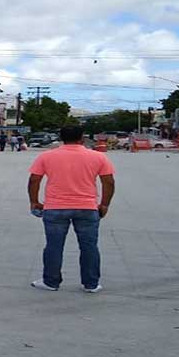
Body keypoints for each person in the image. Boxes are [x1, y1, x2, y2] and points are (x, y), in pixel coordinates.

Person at [28, 125, 115, 293]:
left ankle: (51, 282)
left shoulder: (47, 156)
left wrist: (34, 202)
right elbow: (108, 182)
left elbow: (34, 180)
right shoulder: (98, 157)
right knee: (89, 246)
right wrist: (104, 204)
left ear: (61, 138)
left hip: (54, 208)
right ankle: (91, 284)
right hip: (87, 208)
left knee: (54, 246)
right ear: (82, 138)